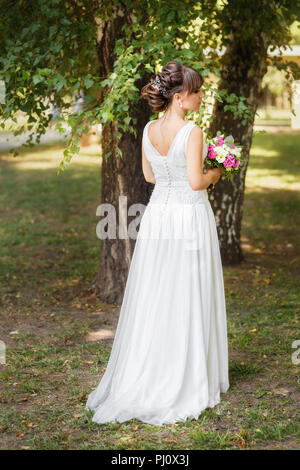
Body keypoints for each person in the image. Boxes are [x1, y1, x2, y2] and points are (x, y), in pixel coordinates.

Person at [85, 60, 230, 426]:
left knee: (159, 292)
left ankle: (153, 366)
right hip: (188, 215)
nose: (199, 97)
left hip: (158, 217)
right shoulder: (193, 131)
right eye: (196, 92)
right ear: (180, 97)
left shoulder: (150, 128)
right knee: (187, 289)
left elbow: (150, 175)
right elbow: (197, 182)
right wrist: (219, 170)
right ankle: (185, 372)